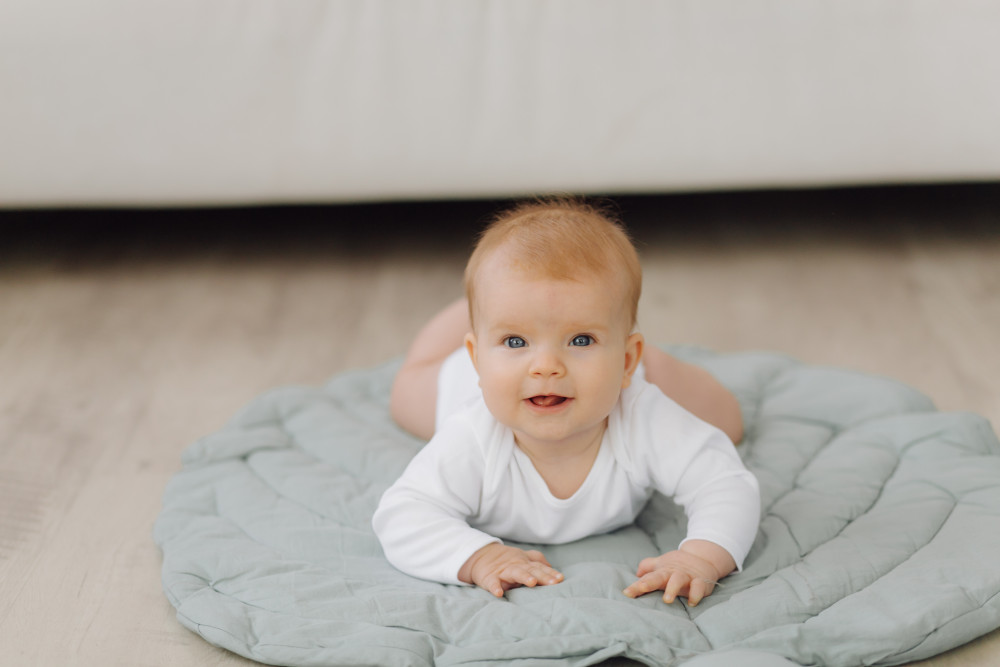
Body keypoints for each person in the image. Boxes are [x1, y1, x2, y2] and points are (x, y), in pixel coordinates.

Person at [373, 198, 759, 606]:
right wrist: (477, 557)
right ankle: (480, 314)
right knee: (407, 391)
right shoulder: (470, 434)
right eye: (515, 340)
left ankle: (620, 349)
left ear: (628, 360)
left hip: (619, 377)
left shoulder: (642, 413)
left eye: (580, 340)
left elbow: (724, 482)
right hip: (462, 382)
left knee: (727, 424)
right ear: (477, 360)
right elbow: (403, 516)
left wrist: (701, 556)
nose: (546, 367)